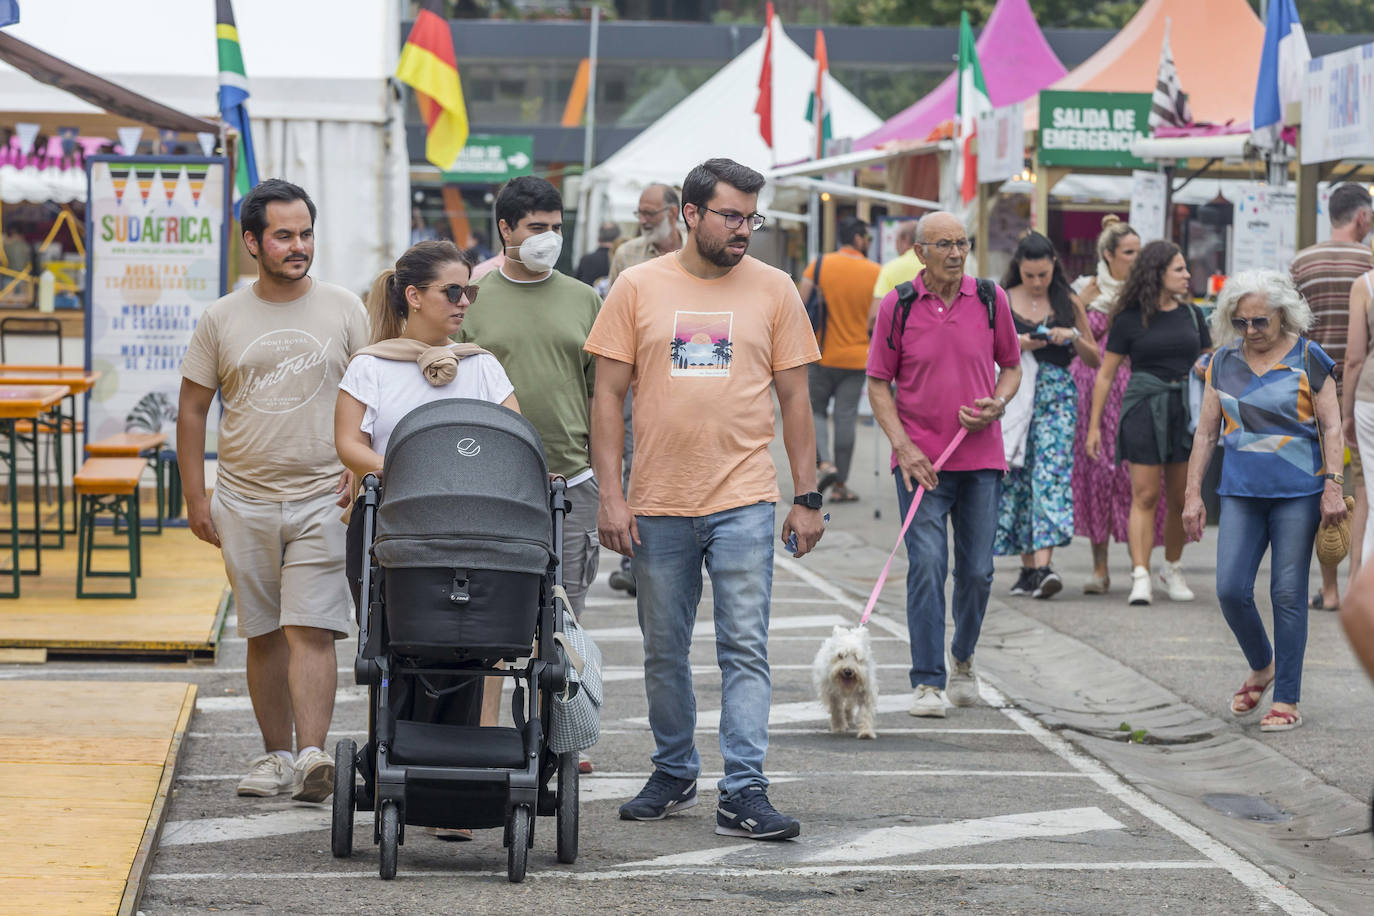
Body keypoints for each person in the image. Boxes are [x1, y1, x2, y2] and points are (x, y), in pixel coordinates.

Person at [587, 158, 824, 840]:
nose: (744, 228)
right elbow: (606, 396)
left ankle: (744, 788)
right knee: (663, 648)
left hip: (745, 497)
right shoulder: (636, 287)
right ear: (690, 213)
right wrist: (612, 495)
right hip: (658, 499)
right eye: (731, 215)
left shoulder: (776, 290)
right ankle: (673, 769)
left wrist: (806, 496)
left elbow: (795, 400)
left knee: (744, 646)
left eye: (752, 216)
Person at [177, 179, 369, 801]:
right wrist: (195, 497)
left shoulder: (344, 308)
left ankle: (314, 756)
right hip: (242, 497)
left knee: (311, 624)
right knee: (263, 632)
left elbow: (373, 394)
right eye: (283, 235)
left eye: (306, 233)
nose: (298, 246)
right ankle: (275, 758)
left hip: (324, 497)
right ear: (252, 242)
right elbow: (192, 409)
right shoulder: (221, 317)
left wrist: (362, 465)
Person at [336, 240, 519, 838]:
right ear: (414, 297)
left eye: (470, 291)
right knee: (400, 645)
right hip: (395, 526)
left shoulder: (482, 365)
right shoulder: (371, 364)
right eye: (453, 291)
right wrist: (401, 471)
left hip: (474, 531)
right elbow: (349, 445)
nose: (465, 301)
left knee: (471, 642)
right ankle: (404, 766)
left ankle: (454, 784)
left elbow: (514, 437)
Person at [867, 211, 1022, 718]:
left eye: (962, 243)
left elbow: (1012, 368)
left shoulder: (991, 299)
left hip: (981, 459)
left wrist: (998, 403)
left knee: (977, 571)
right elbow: (877, 383)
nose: (956, 254)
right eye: (945, 245)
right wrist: (904, 447)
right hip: (920, 464)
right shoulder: (900, 305)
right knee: (929, 565)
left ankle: (963, 658)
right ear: (920, 252)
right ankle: (928, 681)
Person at [1184, 271, 1346, 733]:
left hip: (1298, 490)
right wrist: (1193, 493)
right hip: (1240, 491)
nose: (1251, 332)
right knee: (1230, 590)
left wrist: (1333, 485)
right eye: (1241, 323)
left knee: (1288, 593)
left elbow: (1332, 427)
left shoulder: (1309, 357)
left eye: (1260, 322)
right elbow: (1207, 432)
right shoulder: (1222, 361)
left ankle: (1288, 698)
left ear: (1283, 315)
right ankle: (1262, 664)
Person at [1086, 240, 1212, 606]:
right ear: (1158, 274)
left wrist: (1208, 365)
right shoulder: (1128, 317)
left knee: (1179, 497)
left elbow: (1208, 360)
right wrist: (1094, 426)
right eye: (1179, 269)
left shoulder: (1193, 315)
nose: (1188, 275)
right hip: (1143, 406)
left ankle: (1172, 567)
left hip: (1183, 410)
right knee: (1144, 494)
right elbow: (1106, 375)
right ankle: (1140, 573)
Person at [995, 232, 1099, 598]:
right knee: (1017, 475)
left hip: (1056, 395)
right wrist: (1018, 343)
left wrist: (1070, 336)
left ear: (1054, 267)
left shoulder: (1067, 300)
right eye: (1030, 276)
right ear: (1018, 270)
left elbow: (1094, 357)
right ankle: (1027, 568)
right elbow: (985, 347)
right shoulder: (1002, 300)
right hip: (1015, 393)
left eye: (1044, 275)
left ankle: (1043, 567)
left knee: (1051, 473)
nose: (1038, 283)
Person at [1070, 216, 1164, 594]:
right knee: (1098, 476)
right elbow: (1076, 338)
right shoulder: (1084, 289)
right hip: (1093, 389)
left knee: (1135, 477)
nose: (1136, 258)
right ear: (1108, 255)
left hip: (1135, 388)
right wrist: (1079, 305)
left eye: (1140, 251)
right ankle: (1099, 566)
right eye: (1129, 252)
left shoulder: (1148, 292)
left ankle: (1140, 566)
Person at [1291, 183, 1373, 610]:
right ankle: (1361, 582)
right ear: (1361, 218)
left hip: (1312, 393)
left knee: (1326, 488)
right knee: (1362, 491)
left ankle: (1329, 589)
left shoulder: (1302, 262)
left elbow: (1291, 332)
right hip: (1363, 397)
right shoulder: (1370, 263)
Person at [604, 184, 685, 595]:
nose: (643, 219)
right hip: (640, 379)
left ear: (674, 213)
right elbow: (613, 322)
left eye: (651, 212)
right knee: (636, 461)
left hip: (690, 380)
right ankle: (632, 561)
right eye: (639, 212)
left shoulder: (699, 250)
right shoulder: (627, 255)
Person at [798, 216, 882, 502]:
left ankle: (825, 463)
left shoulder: (820, 265)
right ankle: (841, 486)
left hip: (820, 353)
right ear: (858, 239)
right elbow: (876, 316)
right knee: (846, 416)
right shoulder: (875, 271)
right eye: (867, 238)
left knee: (816, 410)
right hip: (858, 358)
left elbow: (799, 301)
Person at [607, 183, 684, 288]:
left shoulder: (696, 251)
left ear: (672, 213)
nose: (642, 221)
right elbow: (614, 303)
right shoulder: (625, 254)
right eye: (640, 213)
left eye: (649, 213)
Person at [868, 220, 922, 333]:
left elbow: (874, 317)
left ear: (905, 239)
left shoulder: (890, 269)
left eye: (896, 240)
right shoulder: (934, 265)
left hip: (900, 340)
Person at [576, 222, 620, 288]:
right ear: (617, 240)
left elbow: (576, 282)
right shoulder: (619, 260)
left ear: (598, 239)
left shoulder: (586, 259)